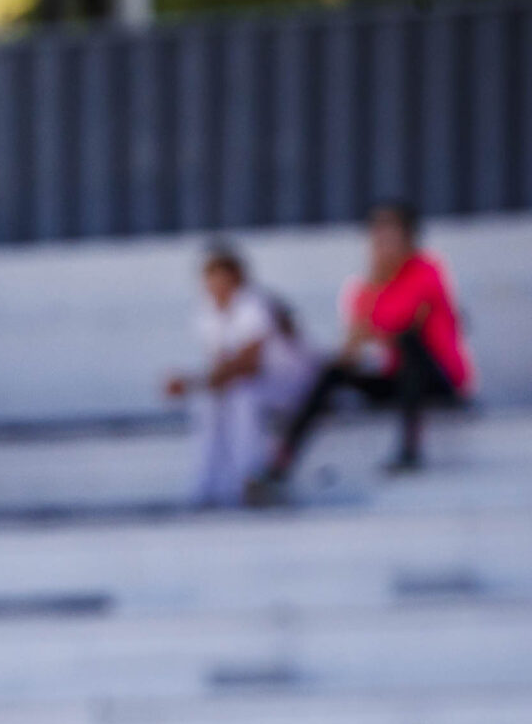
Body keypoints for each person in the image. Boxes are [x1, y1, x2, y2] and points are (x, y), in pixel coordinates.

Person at [256, 200, 473, 499]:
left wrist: (375, 308)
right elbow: (352, 350)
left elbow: (409, 325)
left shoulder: (427, 271)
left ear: (409, 239)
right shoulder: (364, 287)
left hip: (438, 380)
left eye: (390, 235)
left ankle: (410, 450)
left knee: (409, 344)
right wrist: (372, 293)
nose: (382, 243)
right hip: (400, 381)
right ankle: (280, 464)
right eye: (377, 235)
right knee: (332, 372)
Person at [164, 242, 315, 509]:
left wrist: (191, 383)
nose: (217, 287)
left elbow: (249, 364)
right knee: (210, 403)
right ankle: (207, 486)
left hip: (293, 383)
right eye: (211, 279)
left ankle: (250, 479)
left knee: (243, 397)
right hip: (258, 384)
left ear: (238, 278)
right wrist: (199, 385)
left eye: (223, 279)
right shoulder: (208, 312)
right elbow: (220, 367)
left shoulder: (255, 303)